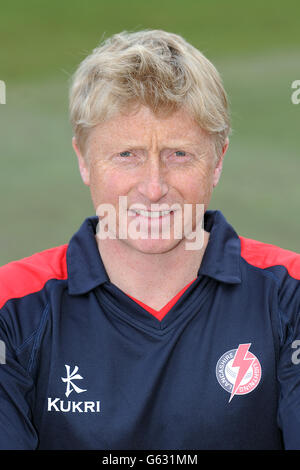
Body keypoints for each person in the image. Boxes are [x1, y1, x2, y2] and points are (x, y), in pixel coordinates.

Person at [0, 29, 299, 451]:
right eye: (127, 155)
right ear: (84, 160)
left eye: (179, 154)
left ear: (218, 162)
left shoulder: (291, 295)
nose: (154, 187)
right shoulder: (10, 307)